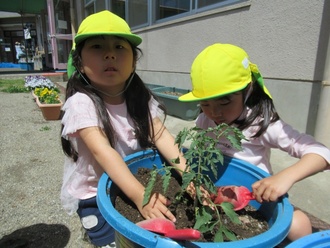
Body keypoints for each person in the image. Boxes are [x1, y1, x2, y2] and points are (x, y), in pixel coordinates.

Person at [179, 43, 330, 241]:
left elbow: (322, 153)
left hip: (255, 198)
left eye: (225, 102)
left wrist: (285, 177)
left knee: (298, 224)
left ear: (248, 89)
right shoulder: (204, 120)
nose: (214, 112)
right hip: (215, 193)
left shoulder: (260, 124)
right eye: (205, 103)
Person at [60, 10, 187, 247]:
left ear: (134, 61)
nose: (109, 54)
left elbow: (160, 135)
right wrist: (142, 196)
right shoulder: (82, 103)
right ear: (79, 61)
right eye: (97, 47)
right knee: (113, 242)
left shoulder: (138, 96)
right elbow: (103, 153)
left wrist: (188, 174)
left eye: (119, 47)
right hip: (98, 192)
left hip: (137, 180)